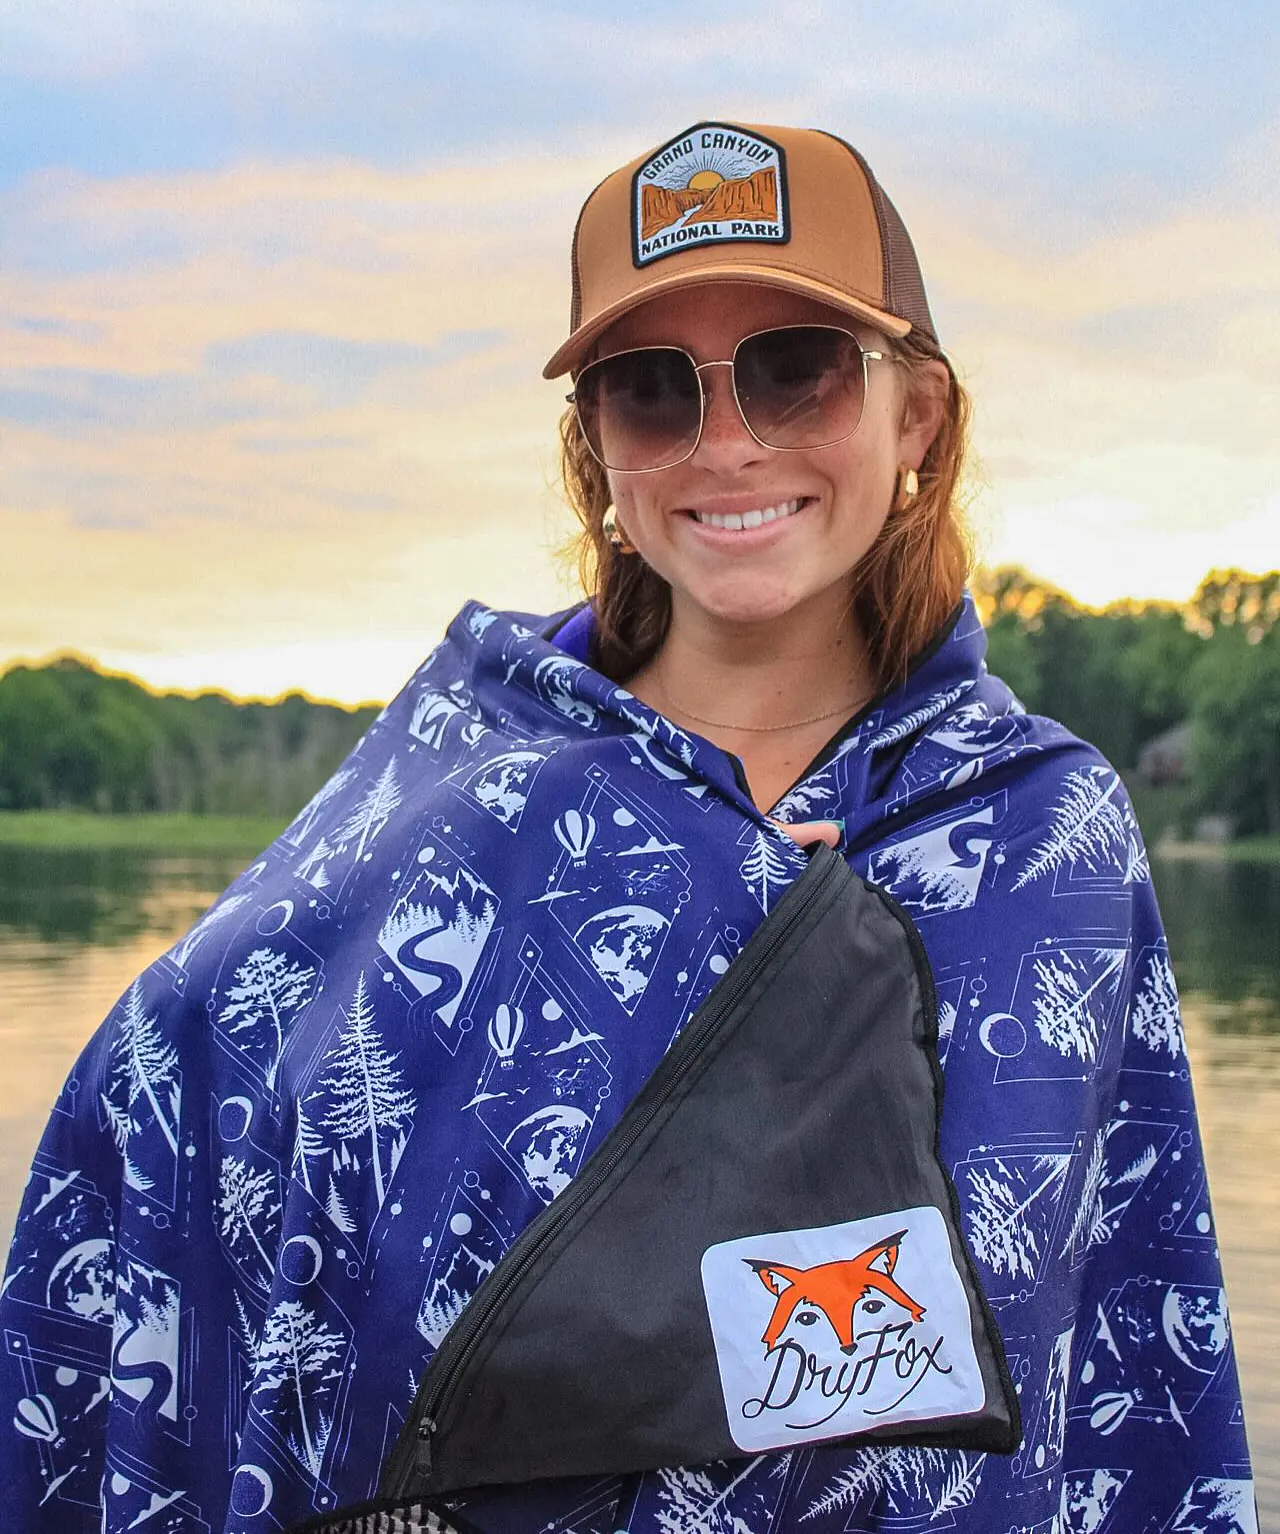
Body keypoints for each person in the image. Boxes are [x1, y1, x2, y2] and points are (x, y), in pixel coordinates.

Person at [0, 122, 1255, 1534]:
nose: (727, 442)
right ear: (596, 448)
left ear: (918, 418)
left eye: (797, 366)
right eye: (653, 389)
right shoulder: (461, 790)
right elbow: (171, 1103)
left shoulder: (1041, 837)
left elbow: (1133, 1354)